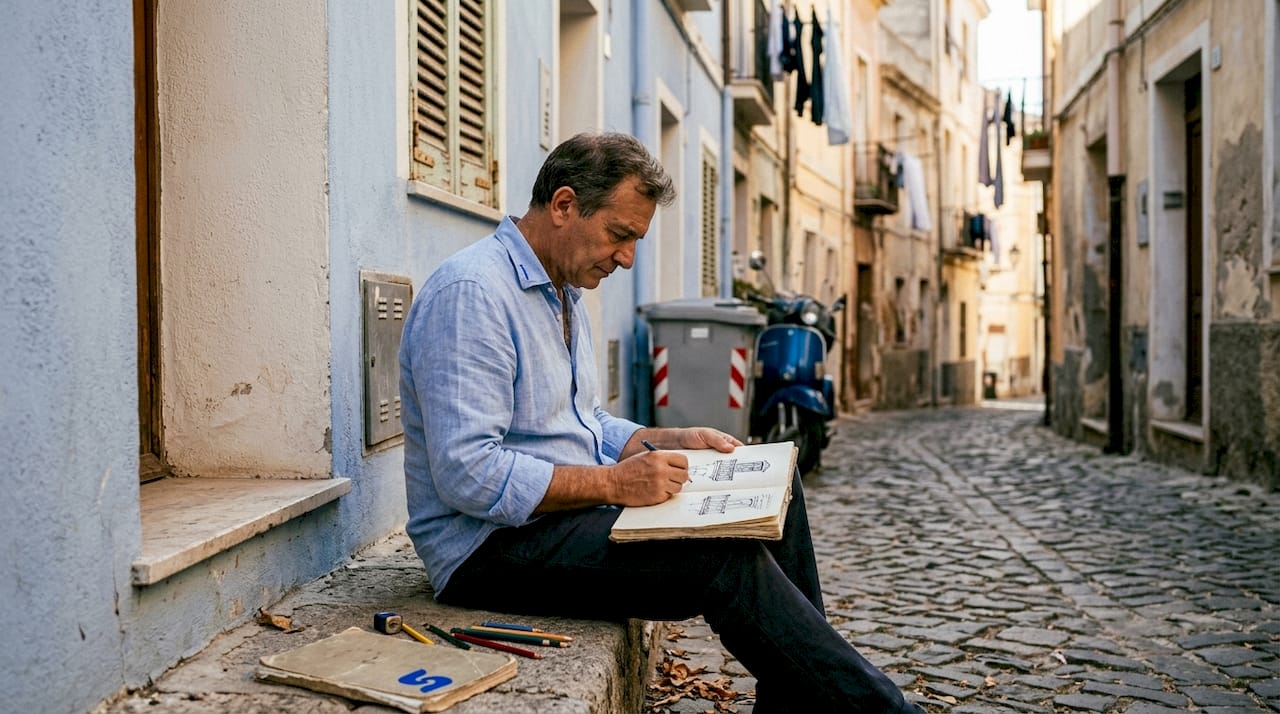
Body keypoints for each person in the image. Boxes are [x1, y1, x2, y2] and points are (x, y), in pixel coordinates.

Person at [399, 132, 923, 713]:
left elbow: (583, 423)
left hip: (558, 521)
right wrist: (613, 484)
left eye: (634, 241)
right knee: (721, 558)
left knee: (777, 489)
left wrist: (664, 439)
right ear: (565, 205)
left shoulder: (562, 291)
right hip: (485, 550)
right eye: (619, 235)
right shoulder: (473, 292)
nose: (626, 258)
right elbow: (467, 472)